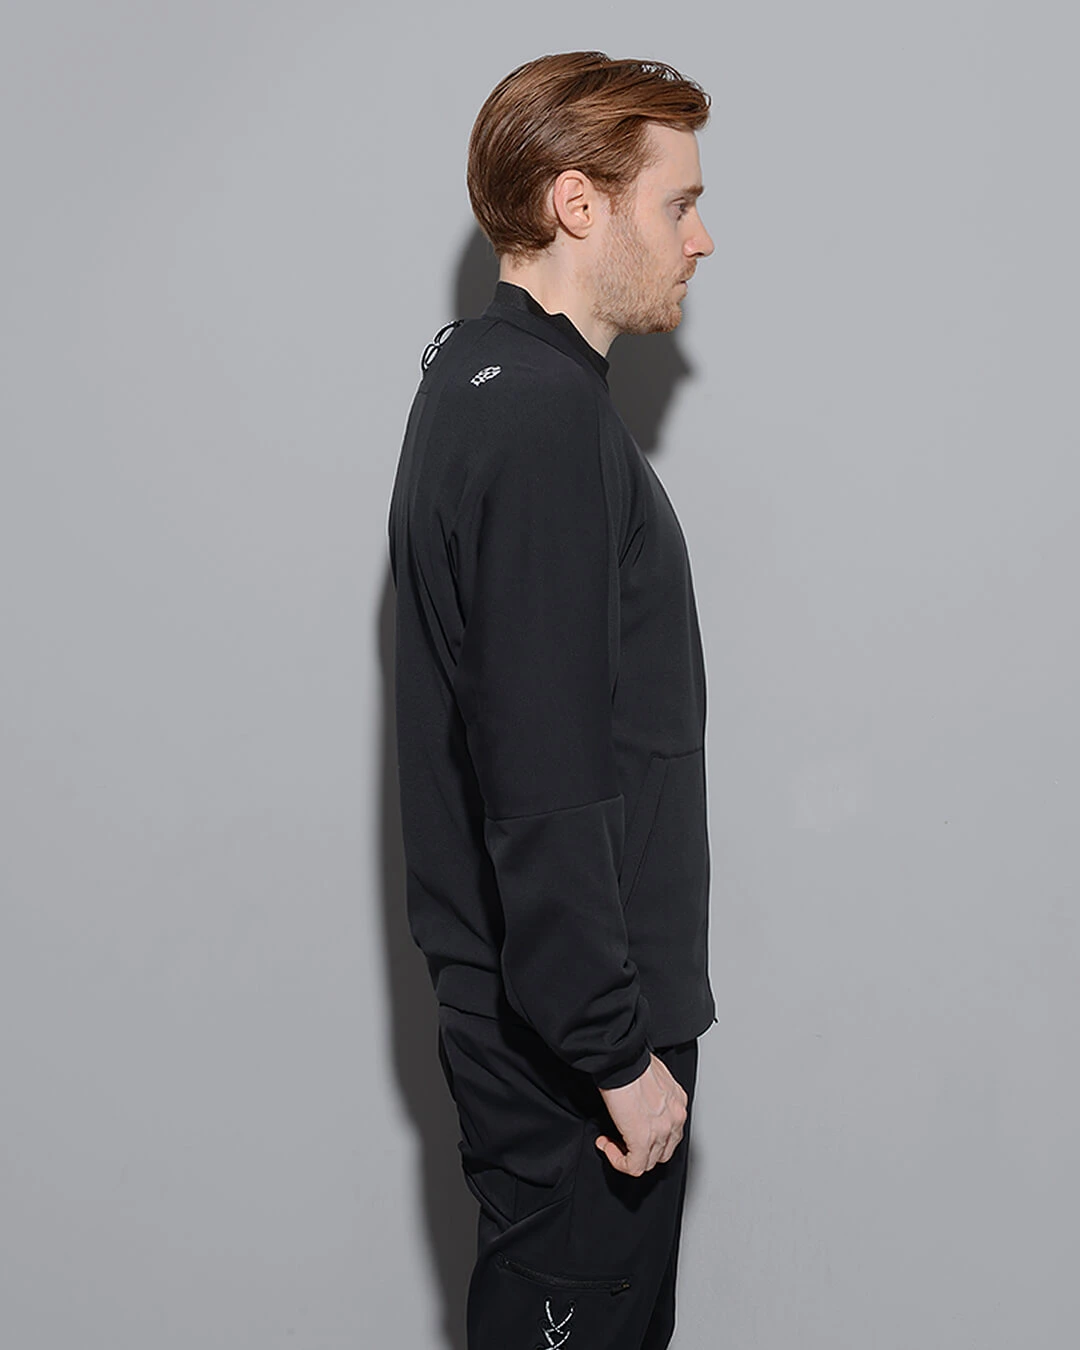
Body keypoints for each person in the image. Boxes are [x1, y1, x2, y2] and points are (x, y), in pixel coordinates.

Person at [387, 50, 717, 1350]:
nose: (701, 239)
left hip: (548, 1034)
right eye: (677, 204)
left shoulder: (480, 380)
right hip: (574, 1063)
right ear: (580, 205)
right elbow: (542, 777)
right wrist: (616, 1052)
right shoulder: (539, 421)